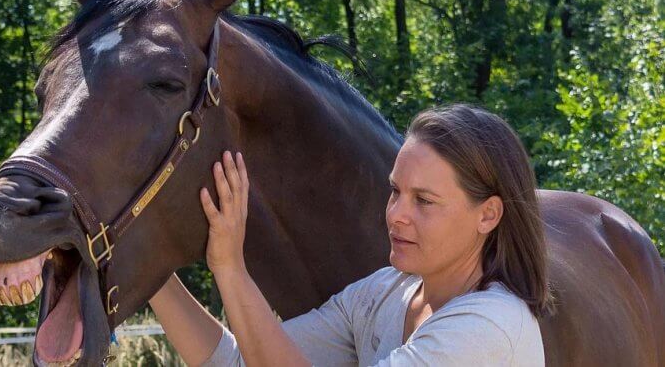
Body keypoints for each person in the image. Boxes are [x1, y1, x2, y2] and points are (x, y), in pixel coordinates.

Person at [149, 104, 553, 366]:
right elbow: (241, 361)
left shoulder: (487, 328)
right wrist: (146, 261)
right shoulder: (383, 293)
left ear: (488, 215)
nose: (397, 215)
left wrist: (230, 266)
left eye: (424, 201)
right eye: (396, 191)